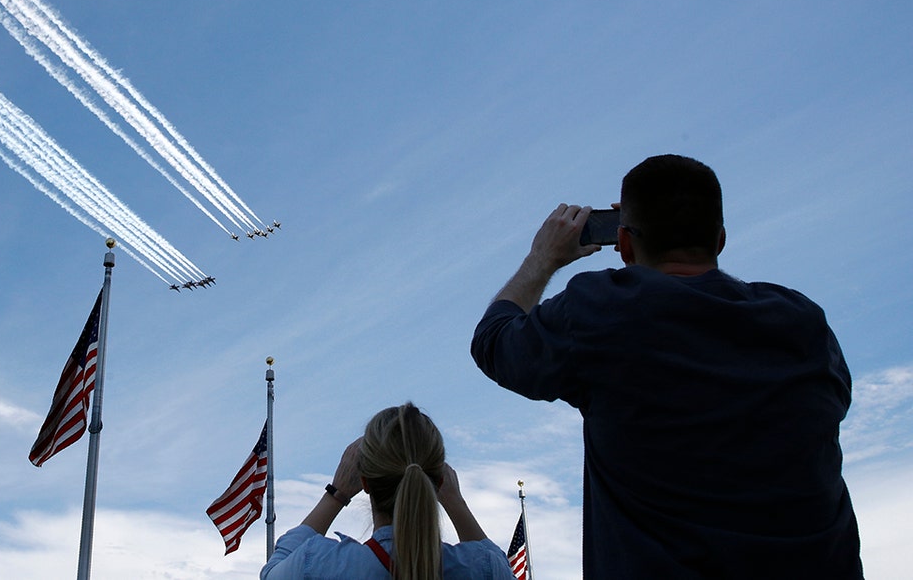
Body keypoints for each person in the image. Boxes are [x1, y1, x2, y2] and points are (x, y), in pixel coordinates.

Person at [471, 154, 864, 578]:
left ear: (622, 243)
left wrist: (543, 257)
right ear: (720, 240)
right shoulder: (803, 324)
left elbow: (494, 341)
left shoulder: (601, 310)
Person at [260, 403, 513, 580]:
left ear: (365, 483)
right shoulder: (480, 569)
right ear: (439, 482)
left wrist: (336, 493)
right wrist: (456, 503)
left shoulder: (319, 564)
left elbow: (272, 572)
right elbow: (502, 569)